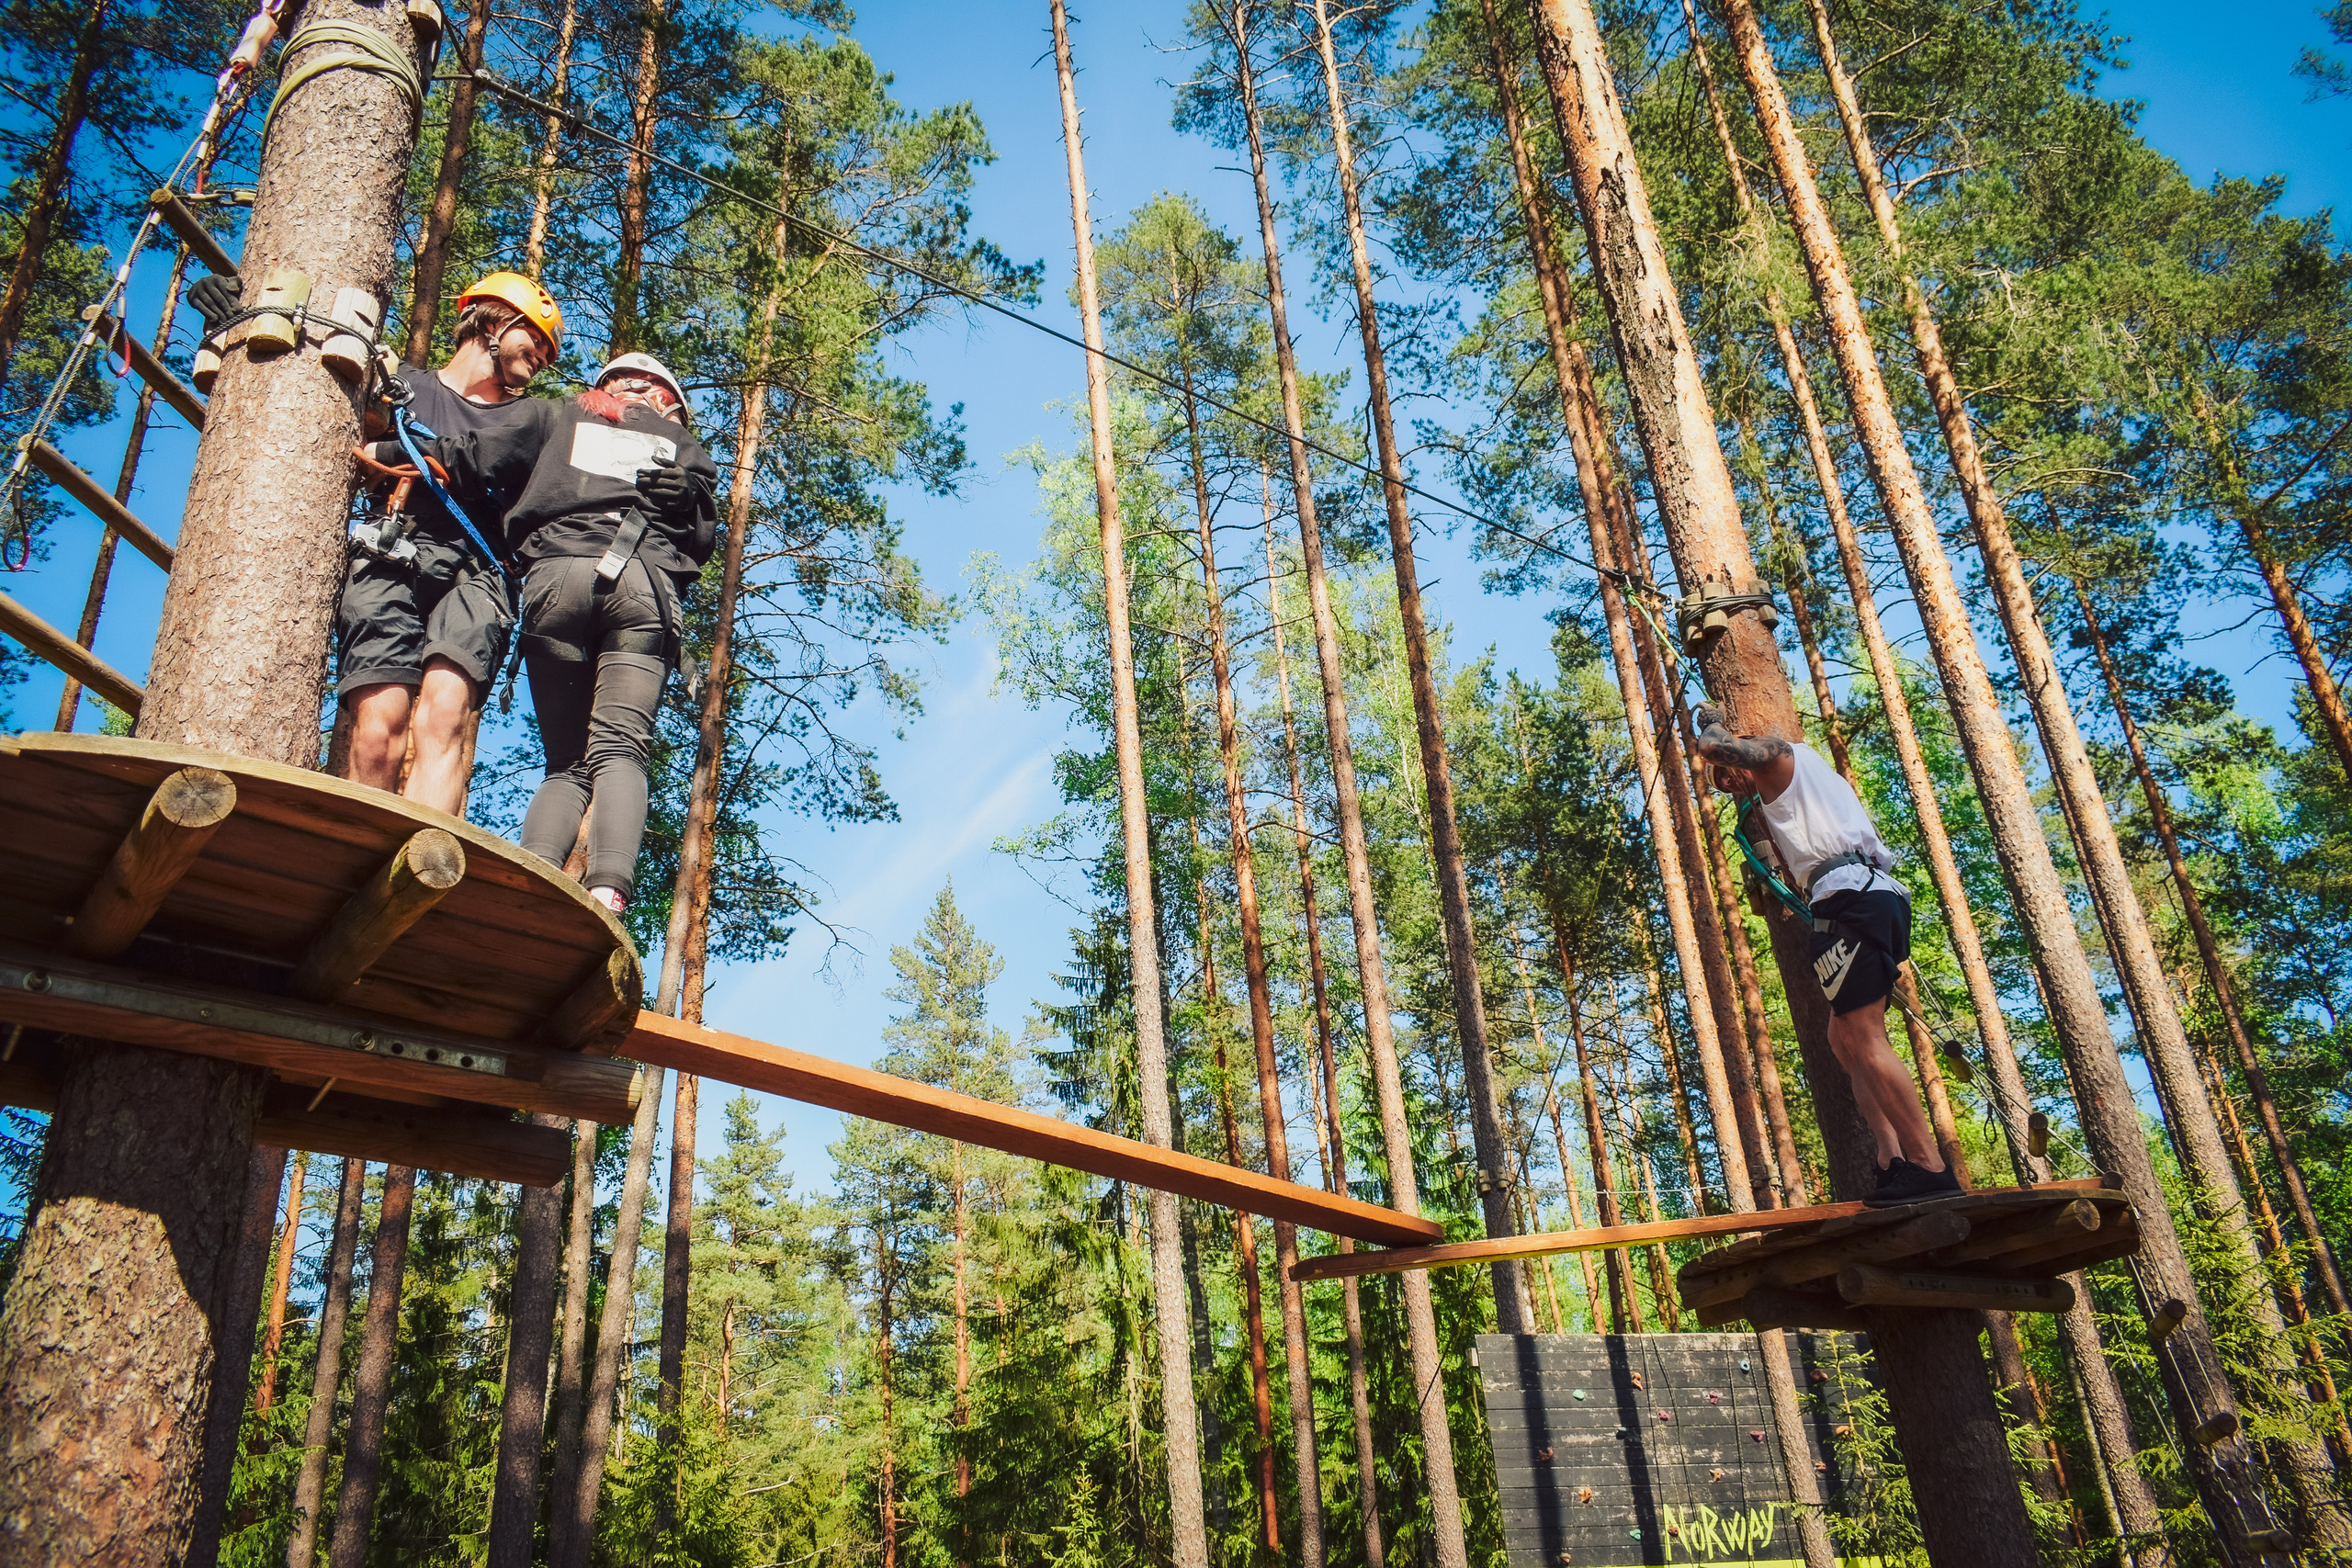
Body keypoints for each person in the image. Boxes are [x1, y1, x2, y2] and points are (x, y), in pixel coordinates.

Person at [195, 268, 565, 814]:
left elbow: (476, 456)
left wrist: (390, 454)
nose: (541, 356)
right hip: (389, 548)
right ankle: (357, 847)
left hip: (478, 570)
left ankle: (422, 862)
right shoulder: (400, 385)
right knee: (378, 725)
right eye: (535, 338)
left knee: (444, 716)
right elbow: (304, 402)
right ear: (494, 320)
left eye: (546, 351)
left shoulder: (535, 417)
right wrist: (230, 322)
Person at [375, 353, 717, 913]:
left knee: (567, 765)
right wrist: (687, 496)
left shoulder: (556, 416)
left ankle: (529, 887)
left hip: (555, 584)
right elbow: (700, 535)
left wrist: (386, 450)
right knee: (620, 750)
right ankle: (606, 889)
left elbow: (471, 456)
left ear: (603, 387)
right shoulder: (682, 446)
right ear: (669, 401)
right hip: (641, 586)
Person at [1690, 703, 1964, 1208]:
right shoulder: (1810, 780)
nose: (1730, 786)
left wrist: (1709, 721)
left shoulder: (1779, 754)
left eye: (1729, 778)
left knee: (1863, 1035)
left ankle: (1929, 1165)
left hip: (1852, 897)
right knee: (1843, 1040)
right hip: (1859, 897)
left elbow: (1714, 746)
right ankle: (1892, 1161)